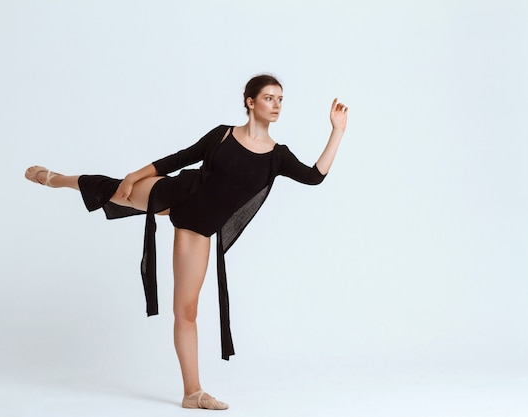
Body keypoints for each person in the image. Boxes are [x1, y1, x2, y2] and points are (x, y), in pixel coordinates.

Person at [25, 74, 348, 410]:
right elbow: (180, 158)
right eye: (269, 98)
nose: (277, 105)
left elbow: (314, 176)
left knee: (187, 311)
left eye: (281, 99)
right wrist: (135, 176)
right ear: (251, 102)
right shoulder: (223, 134)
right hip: (175, 193)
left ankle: (192, 393)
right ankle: (57, 179)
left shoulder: (276, 156)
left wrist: (336, 131)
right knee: (114, 190)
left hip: (198, 227)